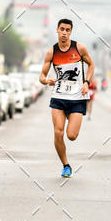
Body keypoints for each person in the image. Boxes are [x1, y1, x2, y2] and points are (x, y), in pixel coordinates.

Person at [39, 19, 95, 178]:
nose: (64, 32)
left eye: (67, 30)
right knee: (58, 133)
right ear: (57, 30)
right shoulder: (51, 52)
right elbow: (42, 76)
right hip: (58, 97)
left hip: (77, 98)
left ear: (71, 32)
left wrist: (86, 82)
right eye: (62, 29)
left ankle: (72, 117)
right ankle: (66, 165)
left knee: (71, 135)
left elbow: (91, 65)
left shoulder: (79, 48)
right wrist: (46, 80)